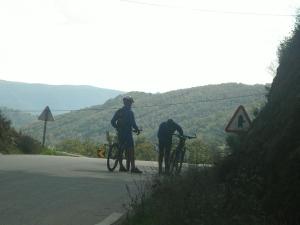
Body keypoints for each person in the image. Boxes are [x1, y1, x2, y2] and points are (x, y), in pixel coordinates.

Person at [111, 96, 142, 173]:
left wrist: (117, 127)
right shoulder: (130, 113)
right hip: (128, 134)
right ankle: (133, 167)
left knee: (121, 150)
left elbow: (112, 121)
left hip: (120, 133)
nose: (131, 104)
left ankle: (121, 166)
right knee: (131, 150)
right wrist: (137, 130)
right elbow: (133, 124)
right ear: (127, 103)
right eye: (130, 102)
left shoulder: (119, 111)